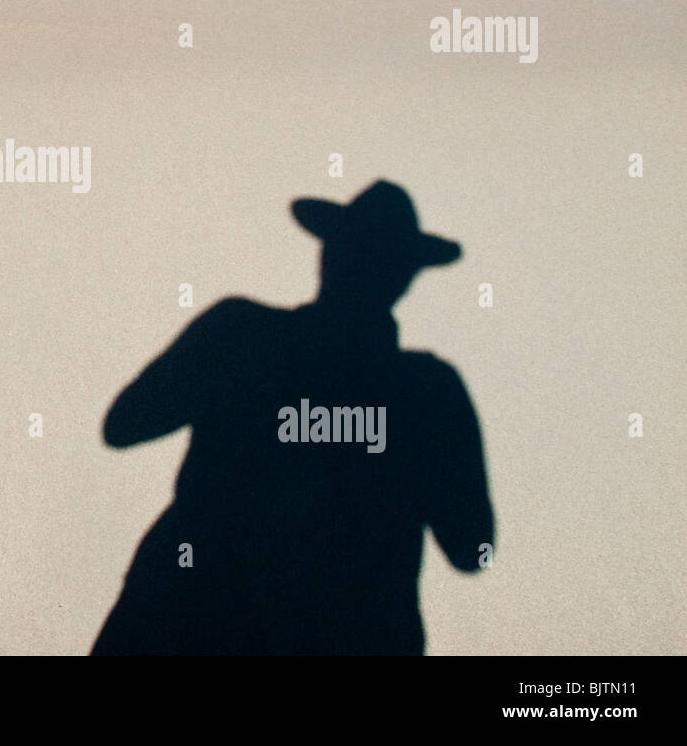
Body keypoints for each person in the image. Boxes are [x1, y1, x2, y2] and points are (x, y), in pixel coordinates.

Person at [92, 180, 495, 655]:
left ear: (328, 256)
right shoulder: (428, 392)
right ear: (404, 276)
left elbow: (125, 424)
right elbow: (471, 547)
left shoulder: (241, 334)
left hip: (187, 620)